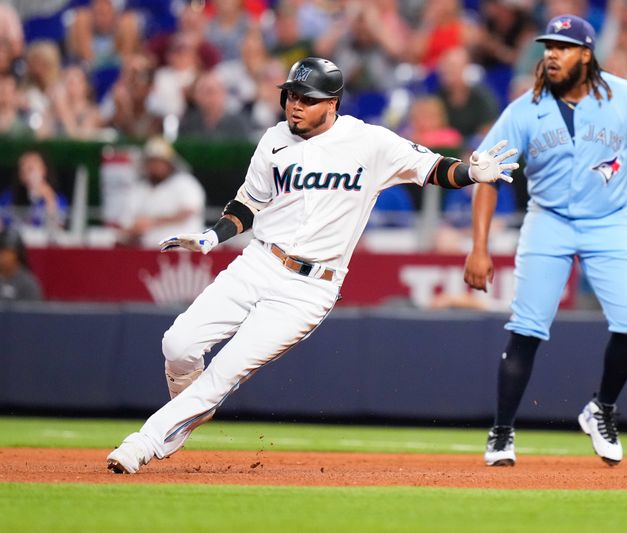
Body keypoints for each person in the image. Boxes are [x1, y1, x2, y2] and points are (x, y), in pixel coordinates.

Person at [105, 57, 518, 474]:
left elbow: (433, 169)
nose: (295, 105)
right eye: (291, 95)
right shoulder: (274, 139)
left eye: (307, 98)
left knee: (225, 373)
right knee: (177, 344)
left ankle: (144, 442)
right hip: (259, 261)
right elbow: (248, 204)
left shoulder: (370, 142)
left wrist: (470, 172)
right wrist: (213, 236)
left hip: (309, 288)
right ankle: (190, 407)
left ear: (333, 103)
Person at [464, 15, 627, 467]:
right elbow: (487, 176)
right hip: (549, 219)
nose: (552, 54)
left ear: (586, 54)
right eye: (549, 46)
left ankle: (601, 408)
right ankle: (502, 432)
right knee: (526, 329)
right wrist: (480, 246)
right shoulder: (524, 109)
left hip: (610, 221)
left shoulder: (625, 98)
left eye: (563, 47)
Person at [116, 137, 205, 248]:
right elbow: (127, 221)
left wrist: (153, 222)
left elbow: (188, 212)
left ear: (169, 163)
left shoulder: (185, 182)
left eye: (159, 162)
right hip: (146, 251)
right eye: (151, 161)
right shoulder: (139, 189)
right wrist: (134, 230)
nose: (155, 166)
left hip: (182, 251)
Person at [0, 151, 68, 231]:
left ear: (43, 170)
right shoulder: (9, 195)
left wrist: (49, 198)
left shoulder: (58, 199)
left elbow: (57, 229)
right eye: (22, 171)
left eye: (30, 169)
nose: (26, 175)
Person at [0, 228, 42, 301]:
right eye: (1, 252)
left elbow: (34, 310)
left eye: (7, 252)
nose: (3, 257)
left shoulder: (27, 283)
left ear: (18, 255)